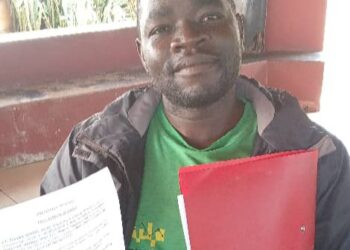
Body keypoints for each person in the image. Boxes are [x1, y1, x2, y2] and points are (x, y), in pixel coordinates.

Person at [40, 0, 350, 249]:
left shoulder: (321, 161)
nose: (187, 38)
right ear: (143, 55)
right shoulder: (87, 157)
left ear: (239, 29)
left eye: (210, 16)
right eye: (161, 28)